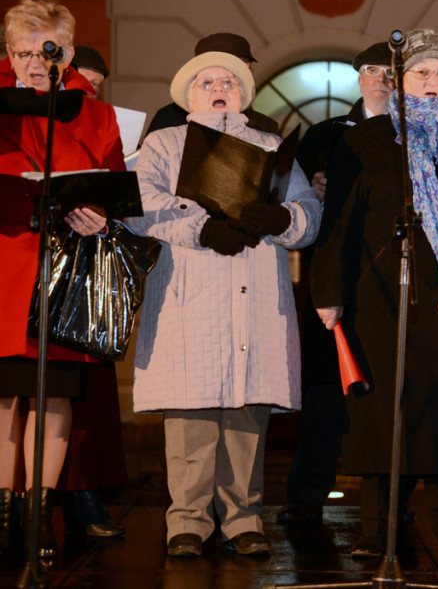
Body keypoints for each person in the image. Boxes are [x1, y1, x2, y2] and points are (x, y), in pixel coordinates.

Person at [310, 29, 438, 564]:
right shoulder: (367, 141)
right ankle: (378, 530)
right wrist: (329, 290)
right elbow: (340, 225)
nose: (431, 82)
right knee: (388, 413)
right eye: (421, 72)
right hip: (386, 296)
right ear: (400, 81)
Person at [127, 51, 321, 558]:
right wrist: (203, 227)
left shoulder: (272, 145)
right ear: (189, 95)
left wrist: (282, 220)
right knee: (192, 415)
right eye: (207, 81)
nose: (219, 87)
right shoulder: (165, 143)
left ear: (244, 94)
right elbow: (142, 207)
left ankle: (243, 518)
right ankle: (187, 521)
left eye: (229, 82)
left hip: (254, 295)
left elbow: (308, 211)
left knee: (245, 413)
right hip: (190, 296)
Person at [0, 0, 124, 566]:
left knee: (52, 399)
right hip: (8, 263)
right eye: (21, 51)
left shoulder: (94, 114)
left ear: (67, 52)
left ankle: (37, 514)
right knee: (5, 399)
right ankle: (3, 509)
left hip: (65, 270)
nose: (31, 61)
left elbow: (114, 186)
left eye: (44, 50)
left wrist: (100, 212)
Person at [276, 41, 394, 525]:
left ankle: (388, 507)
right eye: (373, 70)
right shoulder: (325, 134)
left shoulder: (419, 133)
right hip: (331, 279)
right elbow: (292, 202)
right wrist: (314, 191)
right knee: (325, 396)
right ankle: (306, 497)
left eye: (392, 72)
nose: (383, 79)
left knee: (386, 398)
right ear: (358, 77)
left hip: (388, 282)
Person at [50, 43, 129, 540]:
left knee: (83, 396)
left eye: (99, 83)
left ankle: (81, 494)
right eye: (87, 79)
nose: (92, 89)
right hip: (48, 262)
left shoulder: (99, 122)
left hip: (85, 270)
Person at [143, 32, 279, 140]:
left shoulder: (266, 128)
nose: (220, 87)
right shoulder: (168, 120)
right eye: (209, 81)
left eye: (245, 72)